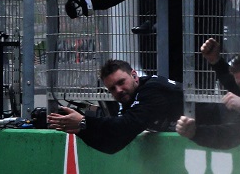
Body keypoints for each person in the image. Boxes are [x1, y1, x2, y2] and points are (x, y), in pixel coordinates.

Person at [46, 59, 182, 154]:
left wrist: (83, 122)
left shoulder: (153, 90)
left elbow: (126, 125)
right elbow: (113, 144)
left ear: (134, 76)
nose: (119, 90)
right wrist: (81, 130)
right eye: (112, 88)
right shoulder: (133, 98)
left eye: (121, 82)